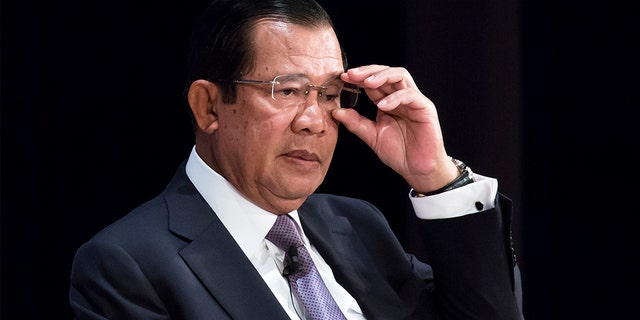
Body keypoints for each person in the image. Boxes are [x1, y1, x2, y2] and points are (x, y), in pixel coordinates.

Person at [69, 0, 524, 319]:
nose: (314, 120)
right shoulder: (129, 266)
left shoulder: (358, 226)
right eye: (287, 91)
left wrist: (436, 176)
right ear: (208, 106)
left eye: (329, 94)